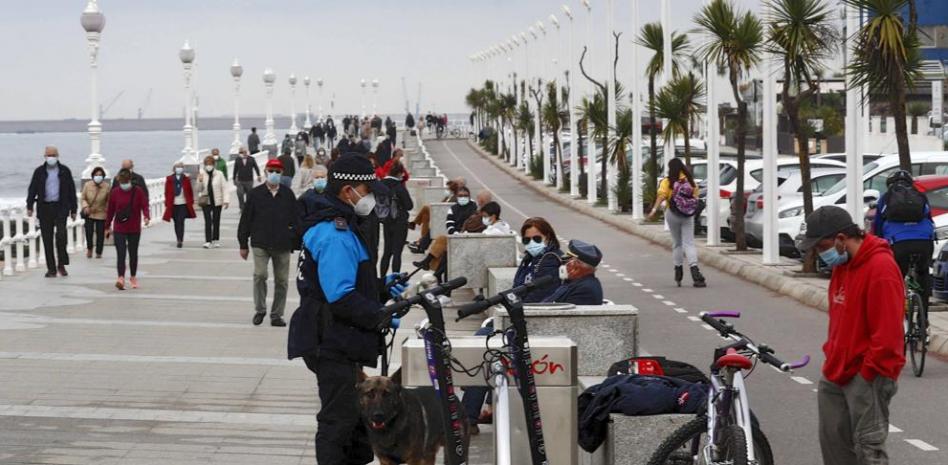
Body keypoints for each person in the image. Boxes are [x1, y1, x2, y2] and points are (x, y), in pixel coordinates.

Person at [288, 154, 404, 465]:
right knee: (338, 423)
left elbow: (343, 281)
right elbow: (339, 297)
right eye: (368, 189)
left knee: (356, 426)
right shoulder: (335, 232)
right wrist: (379, 315)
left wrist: (380, 287)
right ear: (347, 191)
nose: (370, 197)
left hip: (333, 335)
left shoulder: (340, 225)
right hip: (331, 339)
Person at [798, 206, 904, 465]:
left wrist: (869, 372)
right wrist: (832, 356)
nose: (820, 254)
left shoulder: (881, 268)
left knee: (868, 451)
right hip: (836, 370)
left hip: (867, 376)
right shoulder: (842, 266)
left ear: (841, 240)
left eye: (822, 247)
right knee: (833, 446)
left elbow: (889, 334)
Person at [238, 159, 300, 327]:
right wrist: (243, 244)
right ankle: (260, 309)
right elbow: (246, 219)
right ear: (266, 171)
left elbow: (296, 219)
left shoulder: (287, 194)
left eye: (278, 171)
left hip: (282, 244)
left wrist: (294, 240)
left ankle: (277, 314)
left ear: (282, 174)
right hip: (260, 242)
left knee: (282, 281)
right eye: (271, 170)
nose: (274, 174)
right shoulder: (255, 194)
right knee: (260, 275)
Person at [872, 169, 935, 308]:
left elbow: (877, 225)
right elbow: (930, 220)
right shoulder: (921, 196)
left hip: (898, 244)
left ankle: (898, 310)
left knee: (896, 277)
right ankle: (923, 317)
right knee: (923, 272)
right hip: (924, 242)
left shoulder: (886, 198)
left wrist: (878, 241)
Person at [648, 158, 707, 288]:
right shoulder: (690, 181)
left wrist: (653, 210)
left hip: (672, 214)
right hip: (688, 215)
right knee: (689, 243)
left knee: (677, 243)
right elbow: (695, 198)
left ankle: (678, 272)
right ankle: (695, 272)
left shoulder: (667, 181)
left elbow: (662, 196)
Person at [26, 146, 77, 277]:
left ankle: (61, 264)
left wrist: (74, 209)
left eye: (53, 155)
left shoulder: (65, 171)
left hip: (60, 207)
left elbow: (72, 190)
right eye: (49, 155)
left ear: (57, 156)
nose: (51, 157)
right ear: (45, 156)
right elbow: (32, 189)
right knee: (47, 239)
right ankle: (51, 269)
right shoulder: (39, 172)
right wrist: (30, 206)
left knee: (61, 236)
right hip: (44, 208)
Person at [105, 168, 150, 290]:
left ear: (130, 180)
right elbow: (110, 210)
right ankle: (120, 277)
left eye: (125, 181)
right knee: (121, 253)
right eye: (121, 182)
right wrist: (107, 226)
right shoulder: (114, 192)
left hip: (134, 227)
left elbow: (144, 205)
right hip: (119, 227)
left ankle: (133, 277)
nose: (124, 184)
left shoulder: (138, 191)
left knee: (133, 253)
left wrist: (146, 216)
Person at [379, 161, 414, 276]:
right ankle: (395, 279)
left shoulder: (381, 184)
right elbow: (409, 206)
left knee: (387, 252)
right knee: (397, 252)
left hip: (386, 221)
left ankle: (382, 278)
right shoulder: (399, 187)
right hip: (400, 222)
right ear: (399, 173)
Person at [542, 240, 604, 305]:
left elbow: (567, 314)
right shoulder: (572, 282)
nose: (565, 264)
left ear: (578, 266)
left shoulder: (585, 290)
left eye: (567, 260)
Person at [197, 155, 230, 248]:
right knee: (208, 221)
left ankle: (215, 239)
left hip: (217, 201)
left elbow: (225, 188)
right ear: (204, 165)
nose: (209, 166)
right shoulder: (201, 173)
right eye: (207, 164)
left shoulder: (219, 174)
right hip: (206, 201)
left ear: (213, 164)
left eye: (210, 164)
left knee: (216, 220)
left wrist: (226, 200)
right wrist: (199, 181)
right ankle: (208, 241)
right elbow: (198, 189)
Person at [162, 162, 196, 248]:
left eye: (180, 167)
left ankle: (180, 239)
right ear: (174, 169)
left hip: (183, 204)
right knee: (176, 222)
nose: (179, 169)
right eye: (177, 167)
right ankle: (178, 238)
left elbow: (190, 191)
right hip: (173, 204)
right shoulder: (169, 179)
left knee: (181, 221)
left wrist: (191, 202)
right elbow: (166, 192)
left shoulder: (186, 179)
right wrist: (167, 203)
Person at [80, 166, 110, 259]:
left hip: (101, 213)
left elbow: (109, 201)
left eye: (100, 175)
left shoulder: (107, 186)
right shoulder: (87, 185)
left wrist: (108, 212)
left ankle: (99, 252)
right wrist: (85, 207)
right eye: (96, 175)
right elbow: (83, 197)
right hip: (89, 212)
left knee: (100, 233)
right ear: (93, 176)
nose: (98, 176)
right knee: (88, 232)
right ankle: (89, 249)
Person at [234, 146, 261, 211]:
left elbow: (256, 167)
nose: (243, 153)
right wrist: (233, 178)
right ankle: (242, 207)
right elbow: (235, 169)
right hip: (240, 180)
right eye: (240, 152)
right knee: (240, 194)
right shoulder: (237, 159)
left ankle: (247, 206)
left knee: (249, 195)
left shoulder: (251, 159)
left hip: (249, 180)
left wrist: (258, 175)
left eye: (244, 152)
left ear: (247, 152)